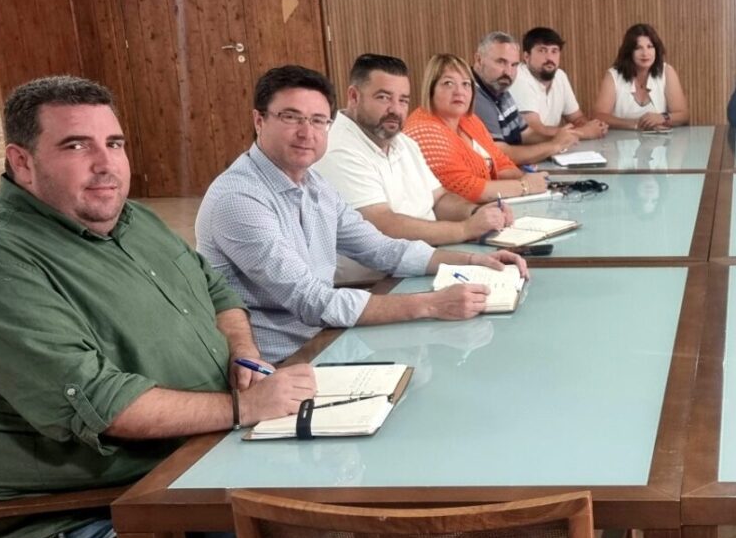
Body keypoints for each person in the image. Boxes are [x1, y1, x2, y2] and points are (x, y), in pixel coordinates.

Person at [0, 76, 314, 538]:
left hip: (182, 462)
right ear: (21, 163)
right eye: (76, 145)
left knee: (320, 503)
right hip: (75, 514)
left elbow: (216, 289)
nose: (106, 165)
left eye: (115, 143)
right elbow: (106, 405)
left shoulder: (129, 221)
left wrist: (242, 352)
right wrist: (243, 406)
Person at [196, 65, 528, 363]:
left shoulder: (314, 185)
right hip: (283, 362)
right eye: (291, 117)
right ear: (259, 121)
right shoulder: (239, 198)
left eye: (318, 120)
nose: (307, 132)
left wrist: (472, 262)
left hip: (329, 340)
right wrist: (431, 304)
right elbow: (311, 300)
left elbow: (382, 248)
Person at [317, 53, 513, 245]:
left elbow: (439, 199)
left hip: (428, 254)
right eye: (384, 98)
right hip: (389, 267)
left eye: (403, 100)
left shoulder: (404, 142)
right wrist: (466, 229)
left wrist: (476, 212)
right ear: (354, 97)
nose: (395, 109)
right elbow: (382, 225)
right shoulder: (337, 148)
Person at [405, 53, 552, 203]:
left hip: (491, 206)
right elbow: (466, 188)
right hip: (457, 213)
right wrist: (525, 186)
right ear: (431, 89)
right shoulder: (424, 131)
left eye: (466, 84)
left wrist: (530, 180)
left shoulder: (469, 119)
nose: (459, 91)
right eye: (448, 83)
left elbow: (501, 162)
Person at [471, 31, 578, 164]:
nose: (508, 72)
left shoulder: (499, 87)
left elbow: (526, 134)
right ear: (479, 60)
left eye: (514, 65)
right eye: (501, 62)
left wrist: (561, 137)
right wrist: (554, 145)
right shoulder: (473, 95)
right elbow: (500, 154)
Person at [508, 26, 609, 139]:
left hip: (553, 147)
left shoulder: (560, 76)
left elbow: (577, 118)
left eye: (554, 51)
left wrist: (594, 127)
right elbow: (535, 131)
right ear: (526, 56)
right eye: (542, 50)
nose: (549, 57)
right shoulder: (518, 78)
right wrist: (584, 132)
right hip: (525, 149)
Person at [593, 23, 690, 131]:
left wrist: (663, 118)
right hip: (621, 139)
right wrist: (636, 124)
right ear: (629, 52)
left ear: (656, 49)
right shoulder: (613, 75)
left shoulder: (667, 71)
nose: (645, 53)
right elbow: (599, 116)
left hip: (660, 140)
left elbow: (683, 116)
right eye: (638, 48)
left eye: (650, 47)